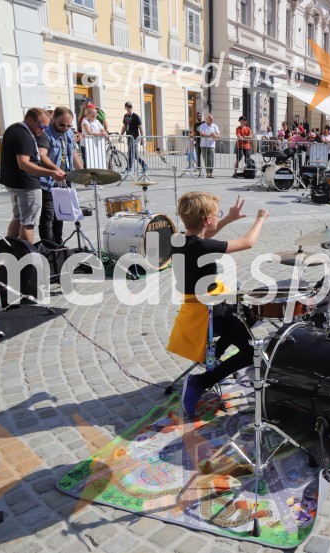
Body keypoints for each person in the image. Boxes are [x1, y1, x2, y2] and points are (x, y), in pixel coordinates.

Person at [167, 192, 270, 419]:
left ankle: (211, 357)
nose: (218, 217)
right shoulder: (202, 246)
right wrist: (260, 217)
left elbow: (207, 234)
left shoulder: (180, 240)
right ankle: (200, 381)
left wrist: (229, 218)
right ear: (206, 219)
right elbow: (247, 242)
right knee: (252, 352)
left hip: (200, 304)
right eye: (217, 214)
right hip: (210, 310)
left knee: (250, 315)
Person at [0, 108, 67, 244]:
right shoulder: (24, 135)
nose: (42, 130)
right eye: (41, 126)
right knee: (28, 223)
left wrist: (54, 170)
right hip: (26, 184)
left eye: (46, 127)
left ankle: (9, 250)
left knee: (18, 218)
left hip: (14, 183)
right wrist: (51, 173)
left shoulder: (13, 129)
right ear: (30, 119)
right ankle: (27, 258)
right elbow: (23, 163)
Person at [37, 107, 84, 244]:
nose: (65, 128)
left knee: (60, 215)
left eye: (68, 125)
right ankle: (48, 246)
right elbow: (42, 155)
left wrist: (83, 174)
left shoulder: (69, 133)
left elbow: (73, 154)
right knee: (48, 216)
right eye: (61, 124)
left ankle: (58, 244)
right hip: (48, 181)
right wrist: (56, 170)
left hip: (64, 181)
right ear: (54, 119)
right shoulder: (46, 134)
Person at [120, 102, 148, 176]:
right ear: (125, 108)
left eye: (130, 107)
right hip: (129, 137)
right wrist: (120, 136)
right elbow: (124, 126)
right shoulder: (125, 116)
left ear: (132, 108)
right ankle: (144, 165)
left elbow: (140, 128)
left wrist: (142, 138)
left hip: (135, 137)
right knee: (134, 155)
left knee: (130, 153)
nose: (129, 109)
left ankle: (128, 169)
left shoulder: (136, 116)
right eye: (127, 107)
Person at [198, 114, 220, 178]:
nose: (211, 120)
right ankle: (208, 173)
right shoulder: (202, 125)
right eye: (210, 119)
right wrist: (209, 136)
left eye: (212, 119)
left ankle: (211, 173)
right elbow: (201, 134)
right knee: (206, 160)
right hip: (204, 145)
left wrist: (215, 136)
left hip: (212, 145)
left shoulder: (215, 126)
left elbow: (219, 135)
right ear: (207, 119)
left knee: (211, 160)